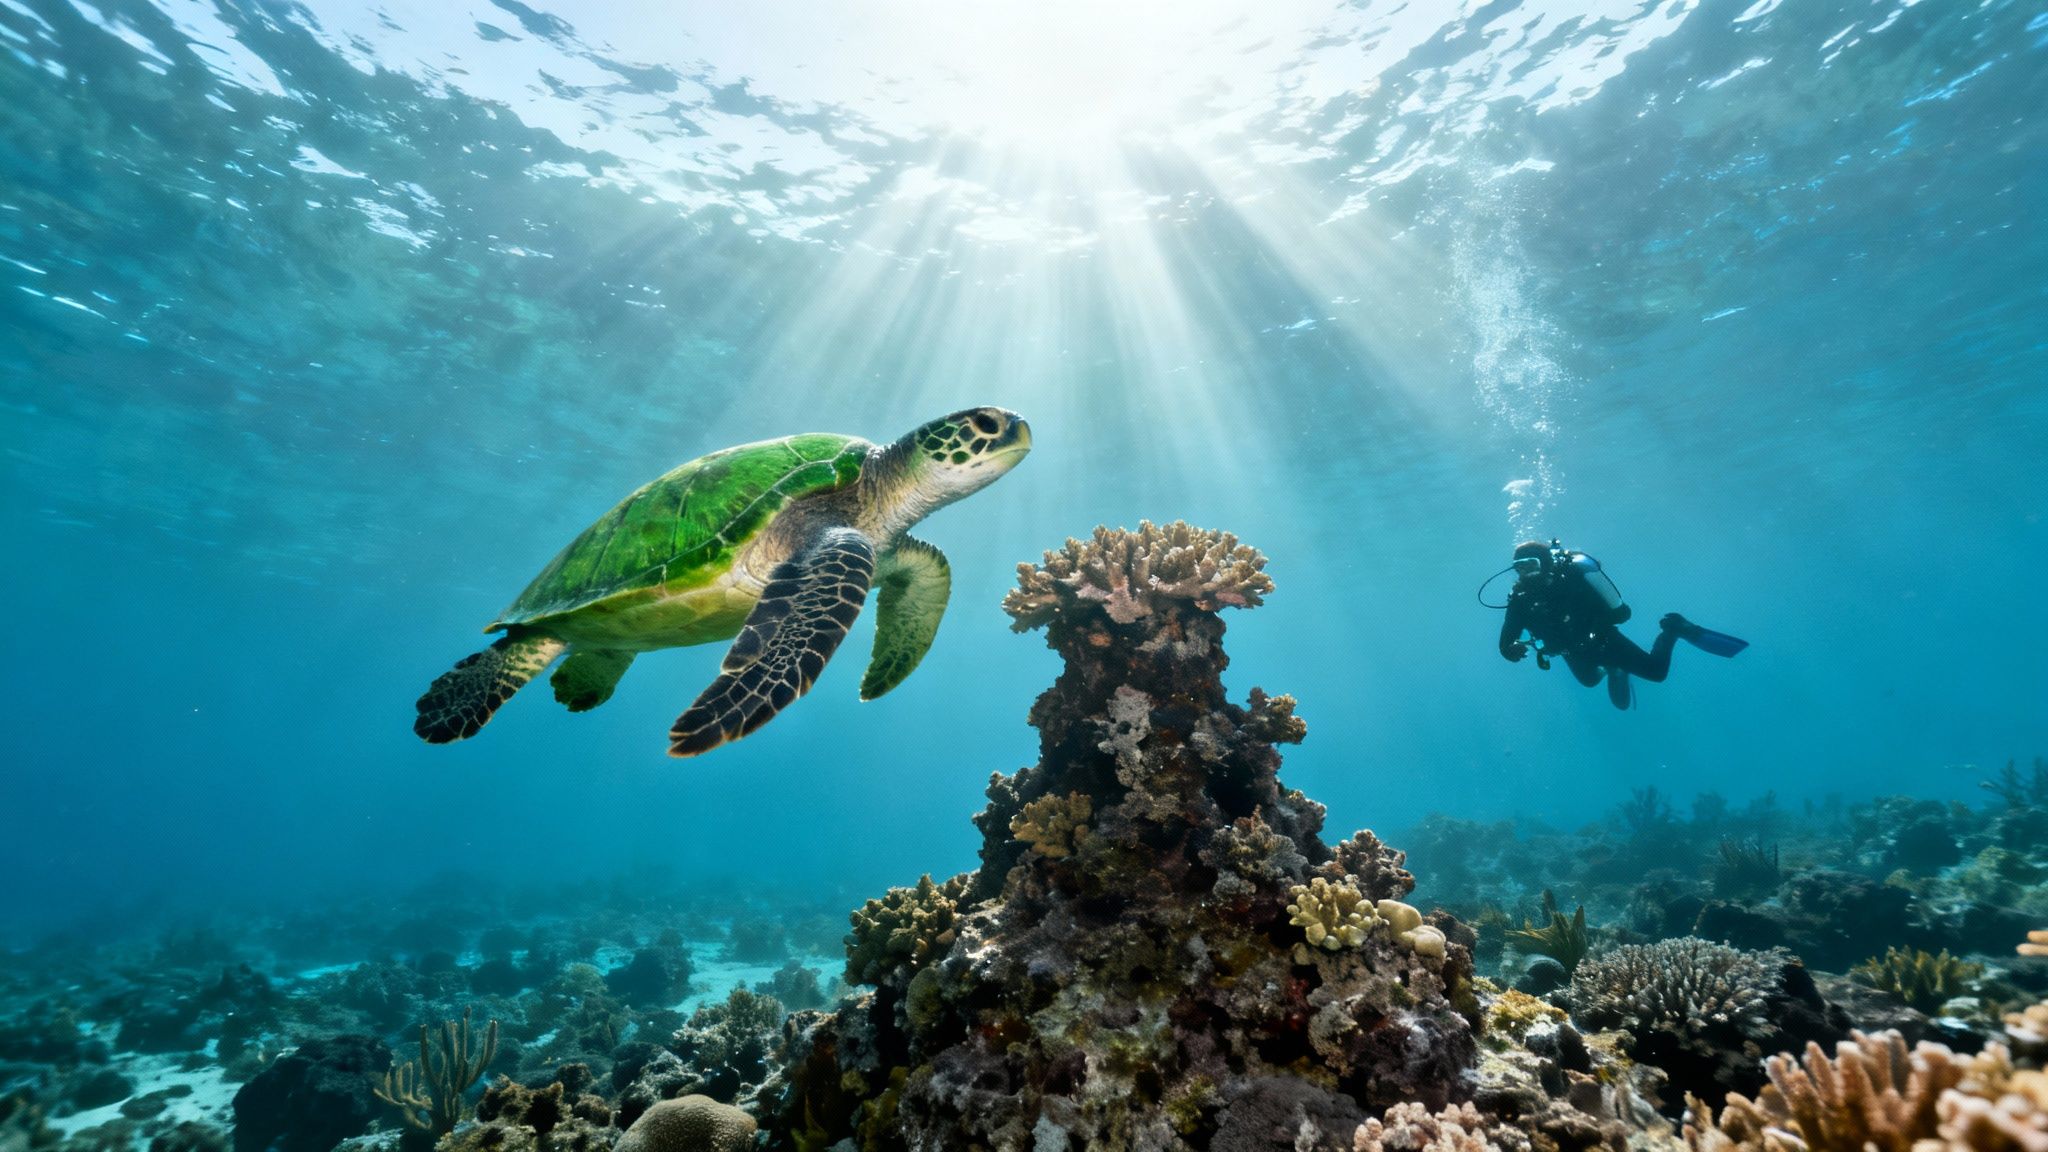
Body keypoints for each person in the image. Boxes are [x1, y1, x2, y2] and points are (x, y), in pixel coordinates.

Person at [1495, 539, 1746, 710]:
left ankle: (1674, 629)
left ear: (1546, 563)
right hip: (1570, 650)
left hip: (1604, 641)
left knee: (1656, 673)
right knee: (1590, 681)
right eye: (1519, 568)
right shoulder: (1520, 599)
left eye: (1531, 565)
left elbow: (1621, 614)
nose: (1525, 573)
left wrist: (1596, 620)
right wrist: (1509, 650)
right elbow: (1507, 637)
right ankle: (1616, 670)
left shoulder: (1572, 581)